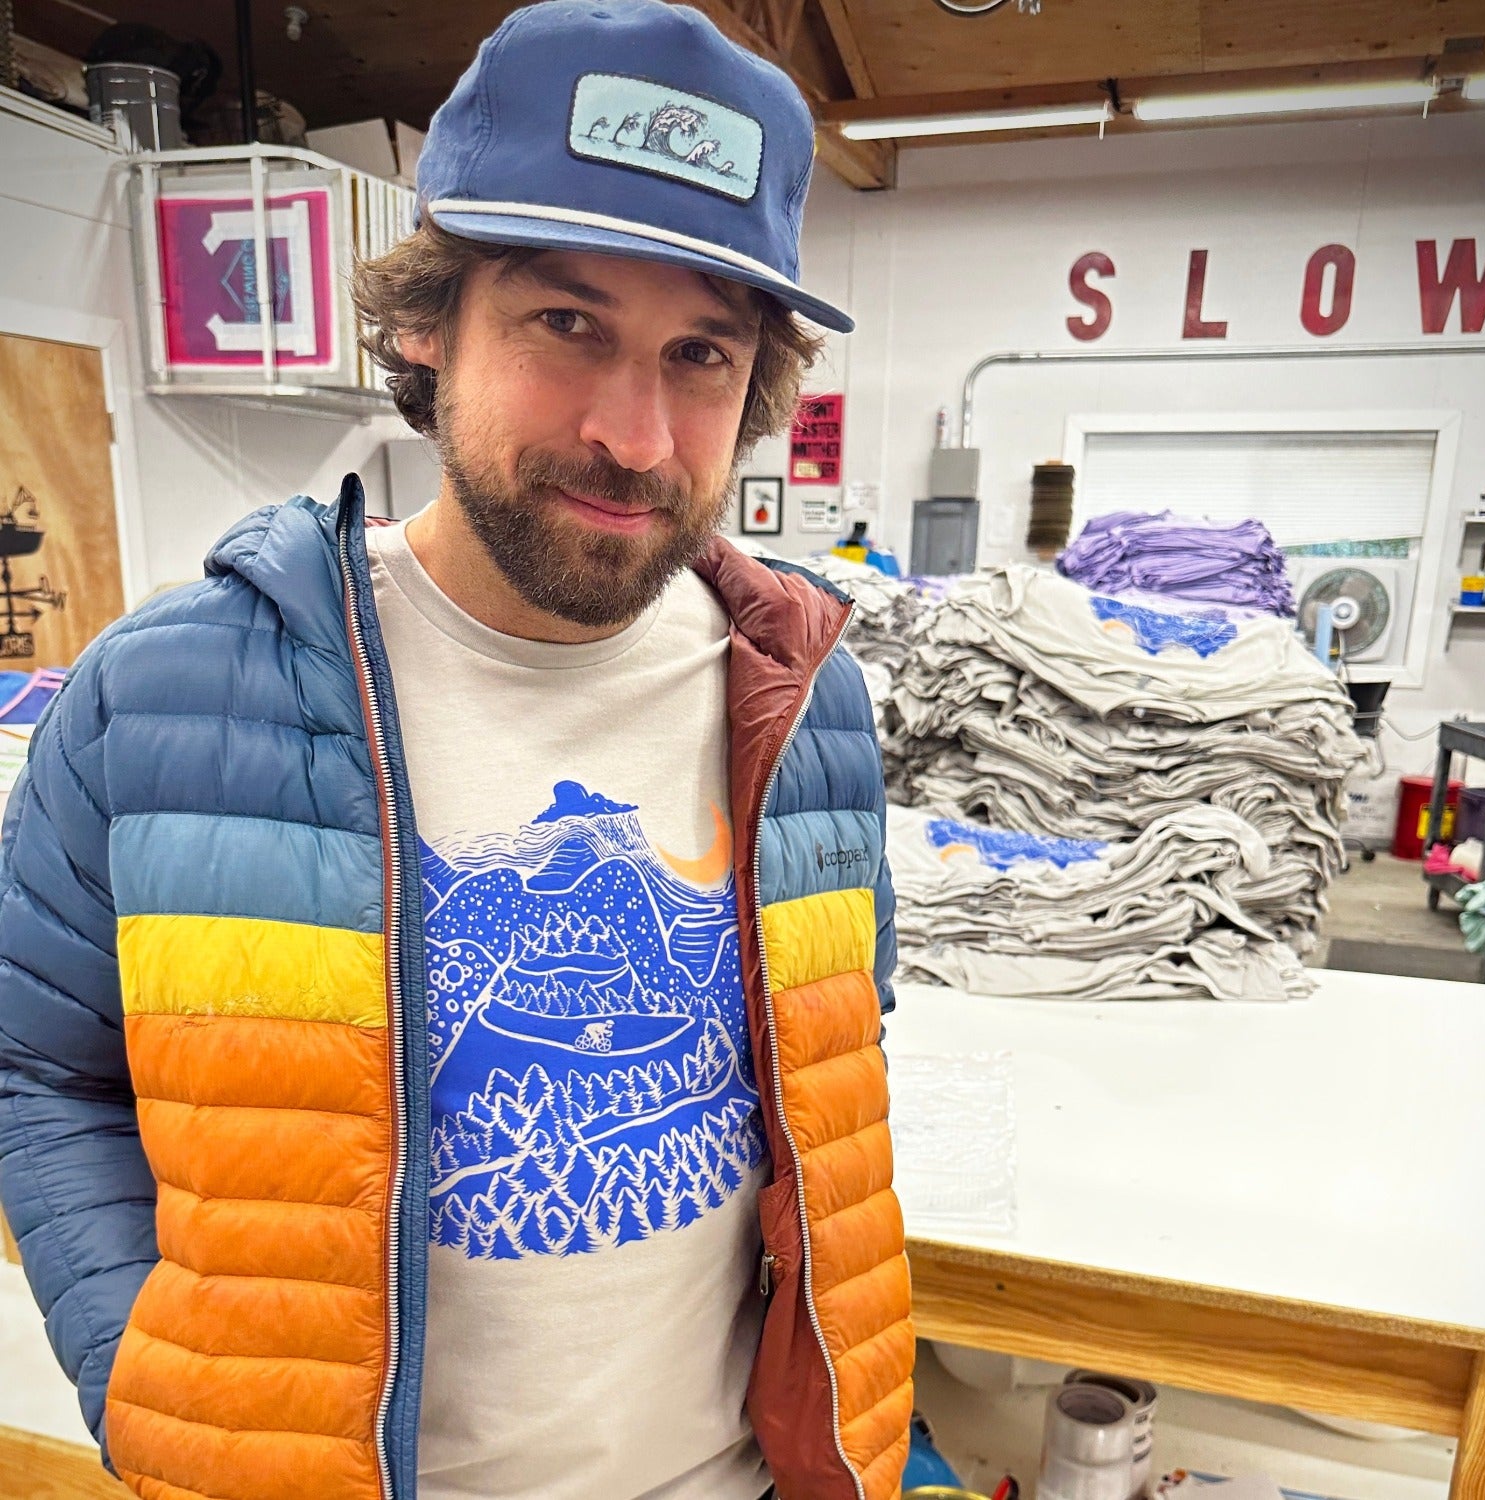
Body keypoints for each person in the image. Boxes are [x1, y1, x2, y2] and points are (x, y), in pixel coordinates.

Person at [0, 3, 914, 1497]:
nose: (637, 433)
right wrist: (159, 1390)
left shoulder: (805, 706)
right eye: (569, 326)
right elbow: (39, 1070)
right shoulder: (165, 703)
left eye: (702, 355)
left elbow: (840, 1055)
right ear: (428, 323)